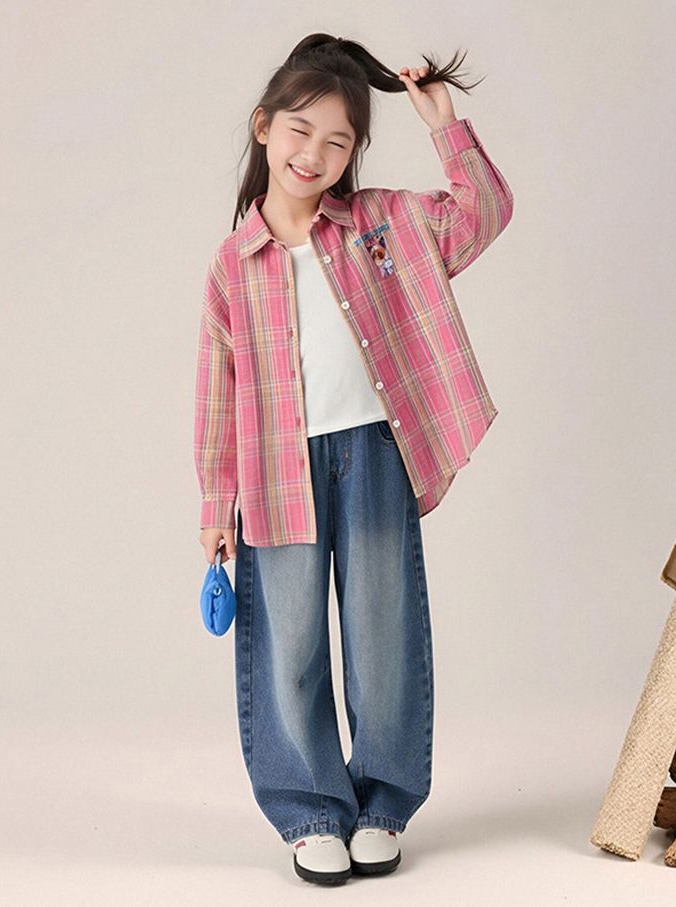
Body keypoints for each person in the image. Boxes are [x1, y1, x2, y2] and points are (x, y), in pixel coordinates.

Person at [193, 33, 514, 885]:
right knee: (288, 640)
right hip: (275, 473)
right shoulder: (233, 265)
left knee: (383, 630)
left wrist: (442, 122)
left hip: (374, 454)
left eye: (338, 142)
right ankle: (309, 810)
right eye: (301, 131)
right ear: (265, 127)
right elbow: (219, 392)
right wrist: (214, 506)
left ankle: (382, 802)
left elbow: (481, 213)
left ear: (354, 154)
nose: (315, 155)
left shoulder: (382, 222)